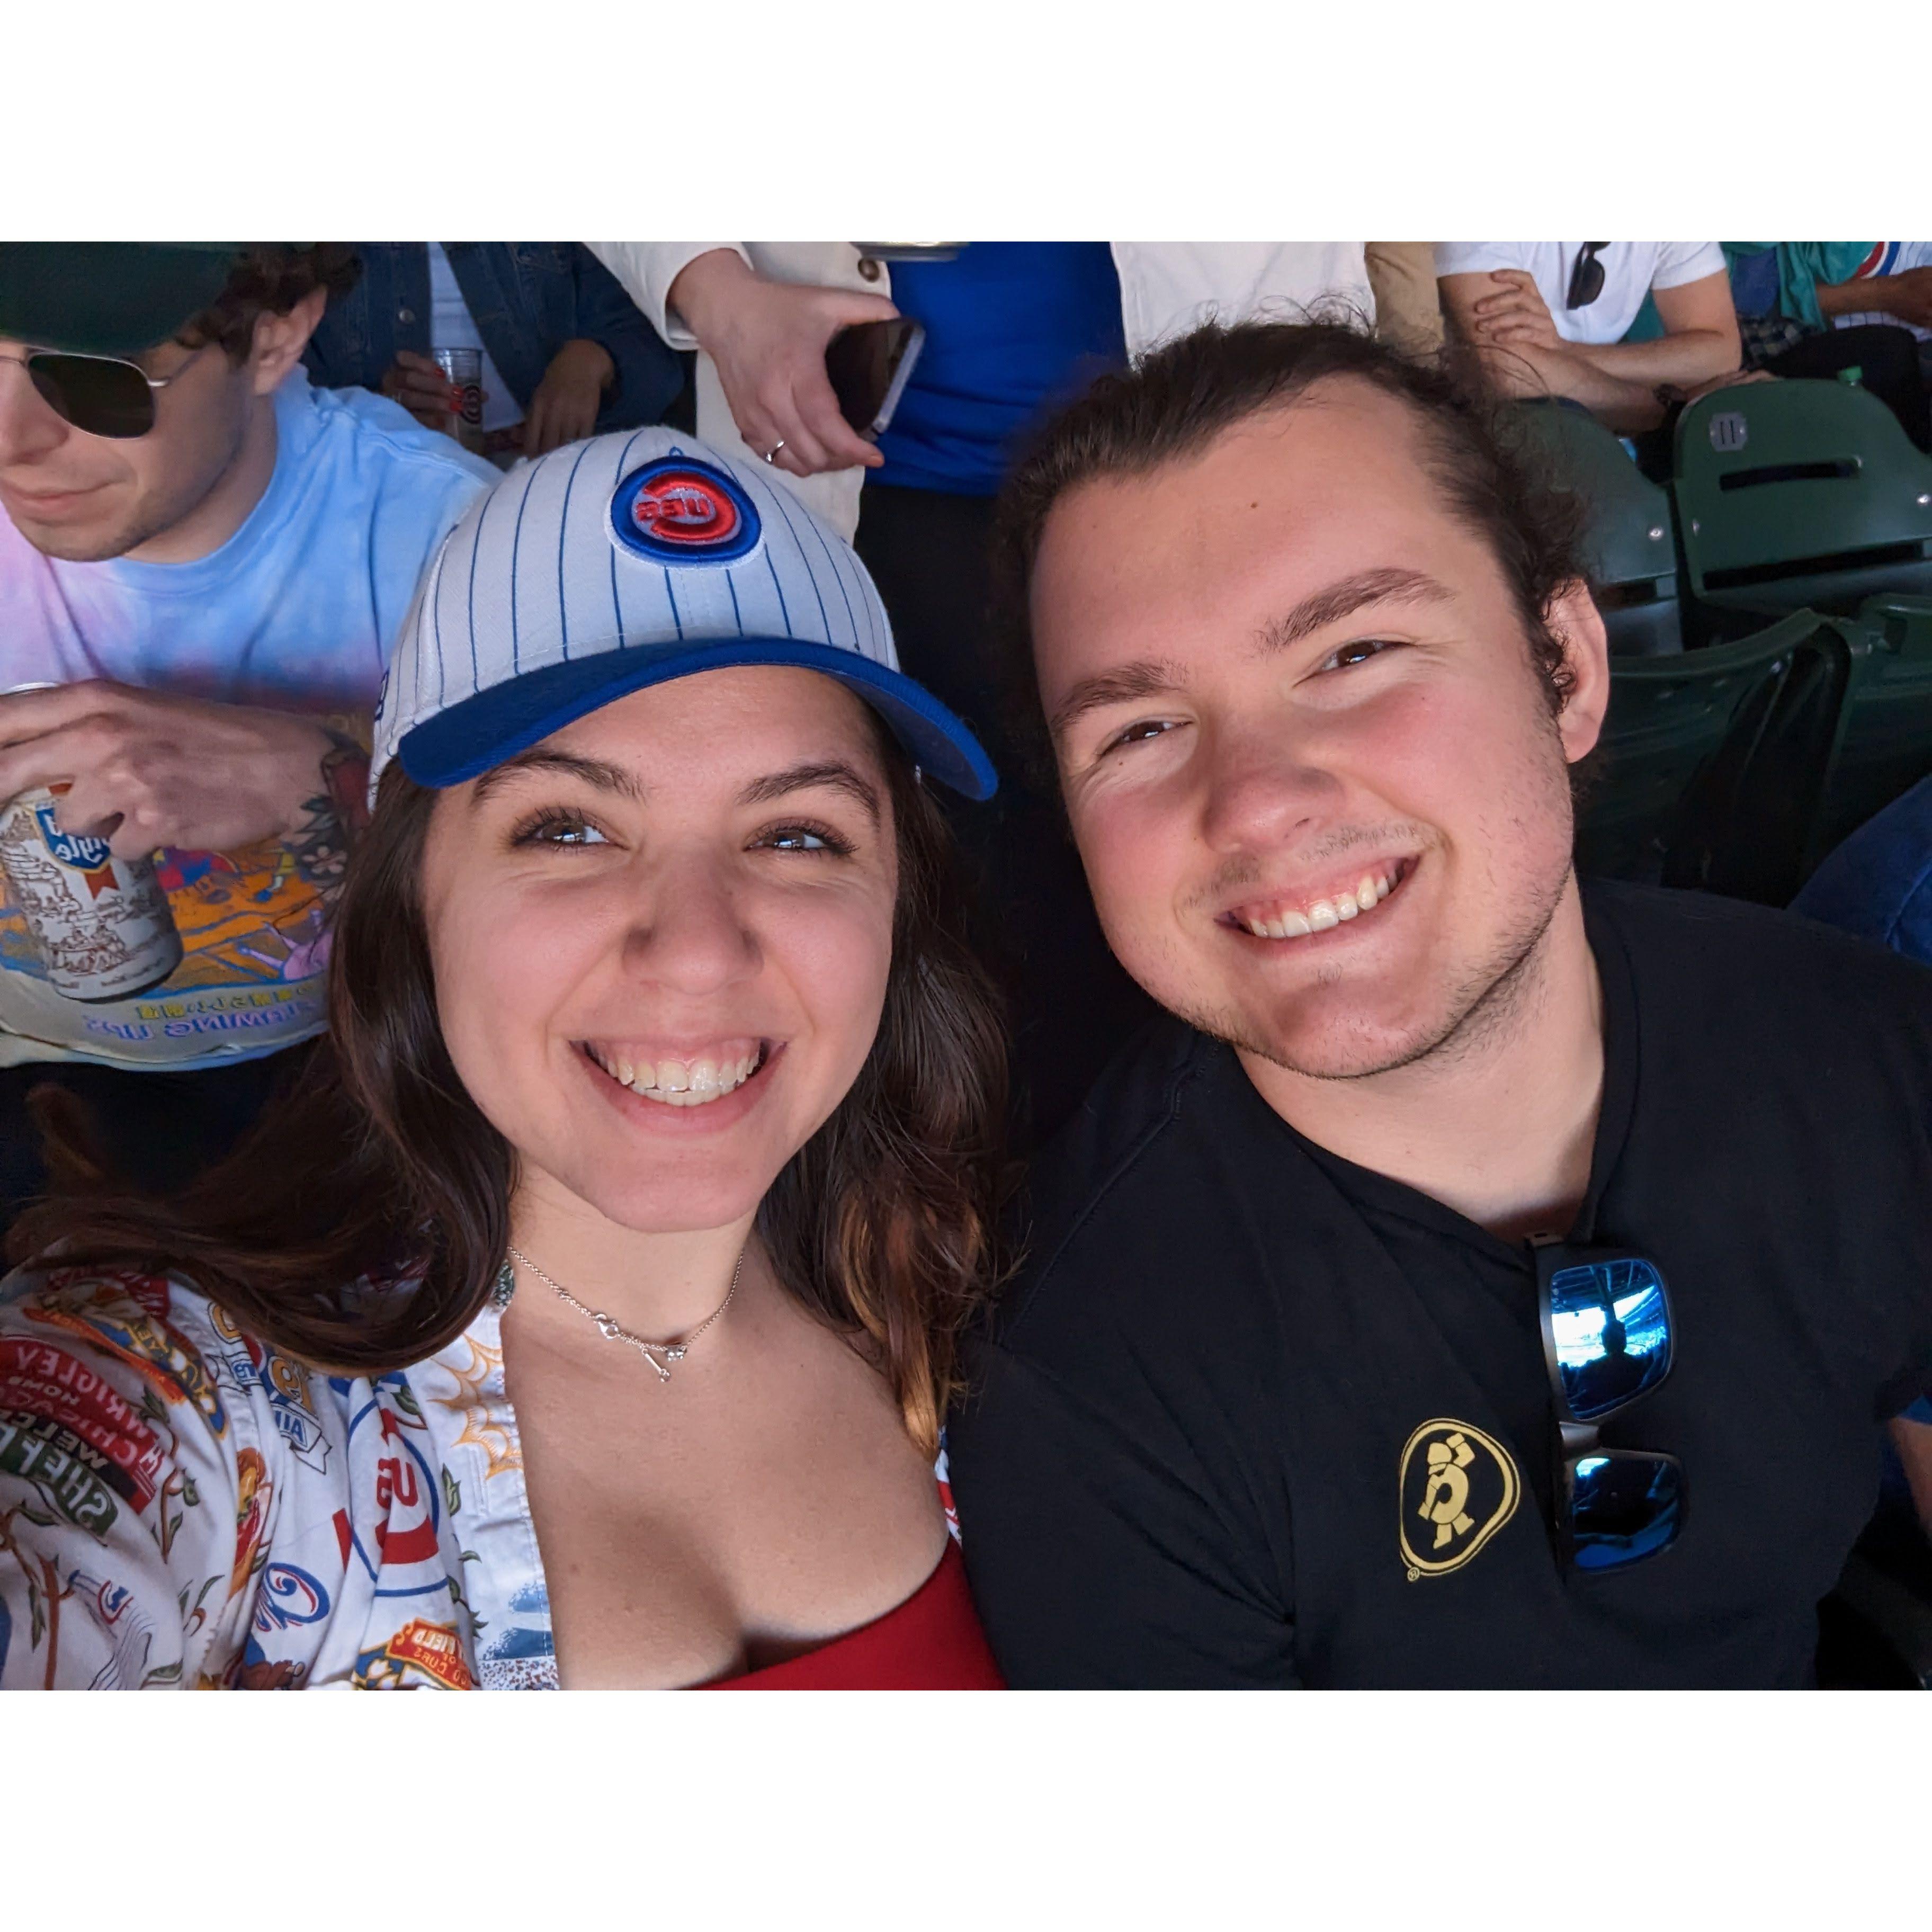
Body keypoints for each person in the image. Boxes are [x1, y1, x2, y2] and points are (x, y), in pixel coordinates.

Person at [944, 320, 1932, 1688]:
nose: (1257, 800)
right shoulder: (1081, 1375)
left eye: (1354, 653)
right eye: (1142, 729)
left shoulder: (1868, 1054)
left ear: (1567, 669)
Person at [0, 426, 1009, 1690]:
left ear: (896, 902)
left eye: (797, 835)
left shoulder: (963, 1291)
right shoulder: (186, 1405)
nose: (695, 951)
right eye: (571, 827)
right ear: (413, 899)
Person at [592, 243, 1382, 1142]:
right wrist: (713, 287)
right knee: (945, 905)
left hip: (1220, 463)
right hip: (880, 484)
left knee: (1231, 839)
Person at [0, 245, 495, 1221]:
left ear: (275, 337)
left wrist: (331, 766)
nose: (14, 440)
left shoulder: (453, 541)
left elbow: (604, 861)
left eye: (93, 379)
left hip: (341, 1078)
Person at [302, 244, 684, 461]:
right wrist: (375, 410)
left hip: (567, 472)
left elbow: (663, 353)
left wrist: (593, 361)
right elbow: (278, 394)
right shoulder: (312, 249)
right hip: (389, 480)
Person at [1436, 242, 1742, 437]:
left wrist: (1567, 352)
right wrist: (1664, 413)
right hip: (1477, 427)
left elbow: (1721, 352)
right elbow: (1511, 372)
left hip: (1594, 437)